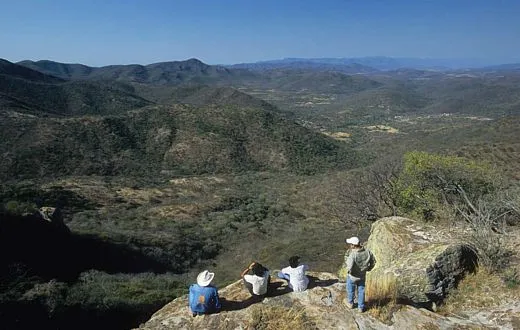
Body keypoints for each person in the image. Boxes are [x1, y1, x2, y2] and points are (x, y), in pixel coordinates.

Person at [345, 236, 376, 313]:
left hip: (353, 276)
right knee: (361, 290)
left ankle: (350, 303)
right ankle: (360, 307)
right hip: (362, 275)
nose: (349, 245)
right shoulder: (367, 252)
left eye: (350, 244)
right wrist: (369, 269)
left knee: (351, 290)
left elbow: (349, 266)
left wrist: (349, 272)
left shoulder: (353, 254)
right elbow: (373, 261)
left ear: (353, 245)